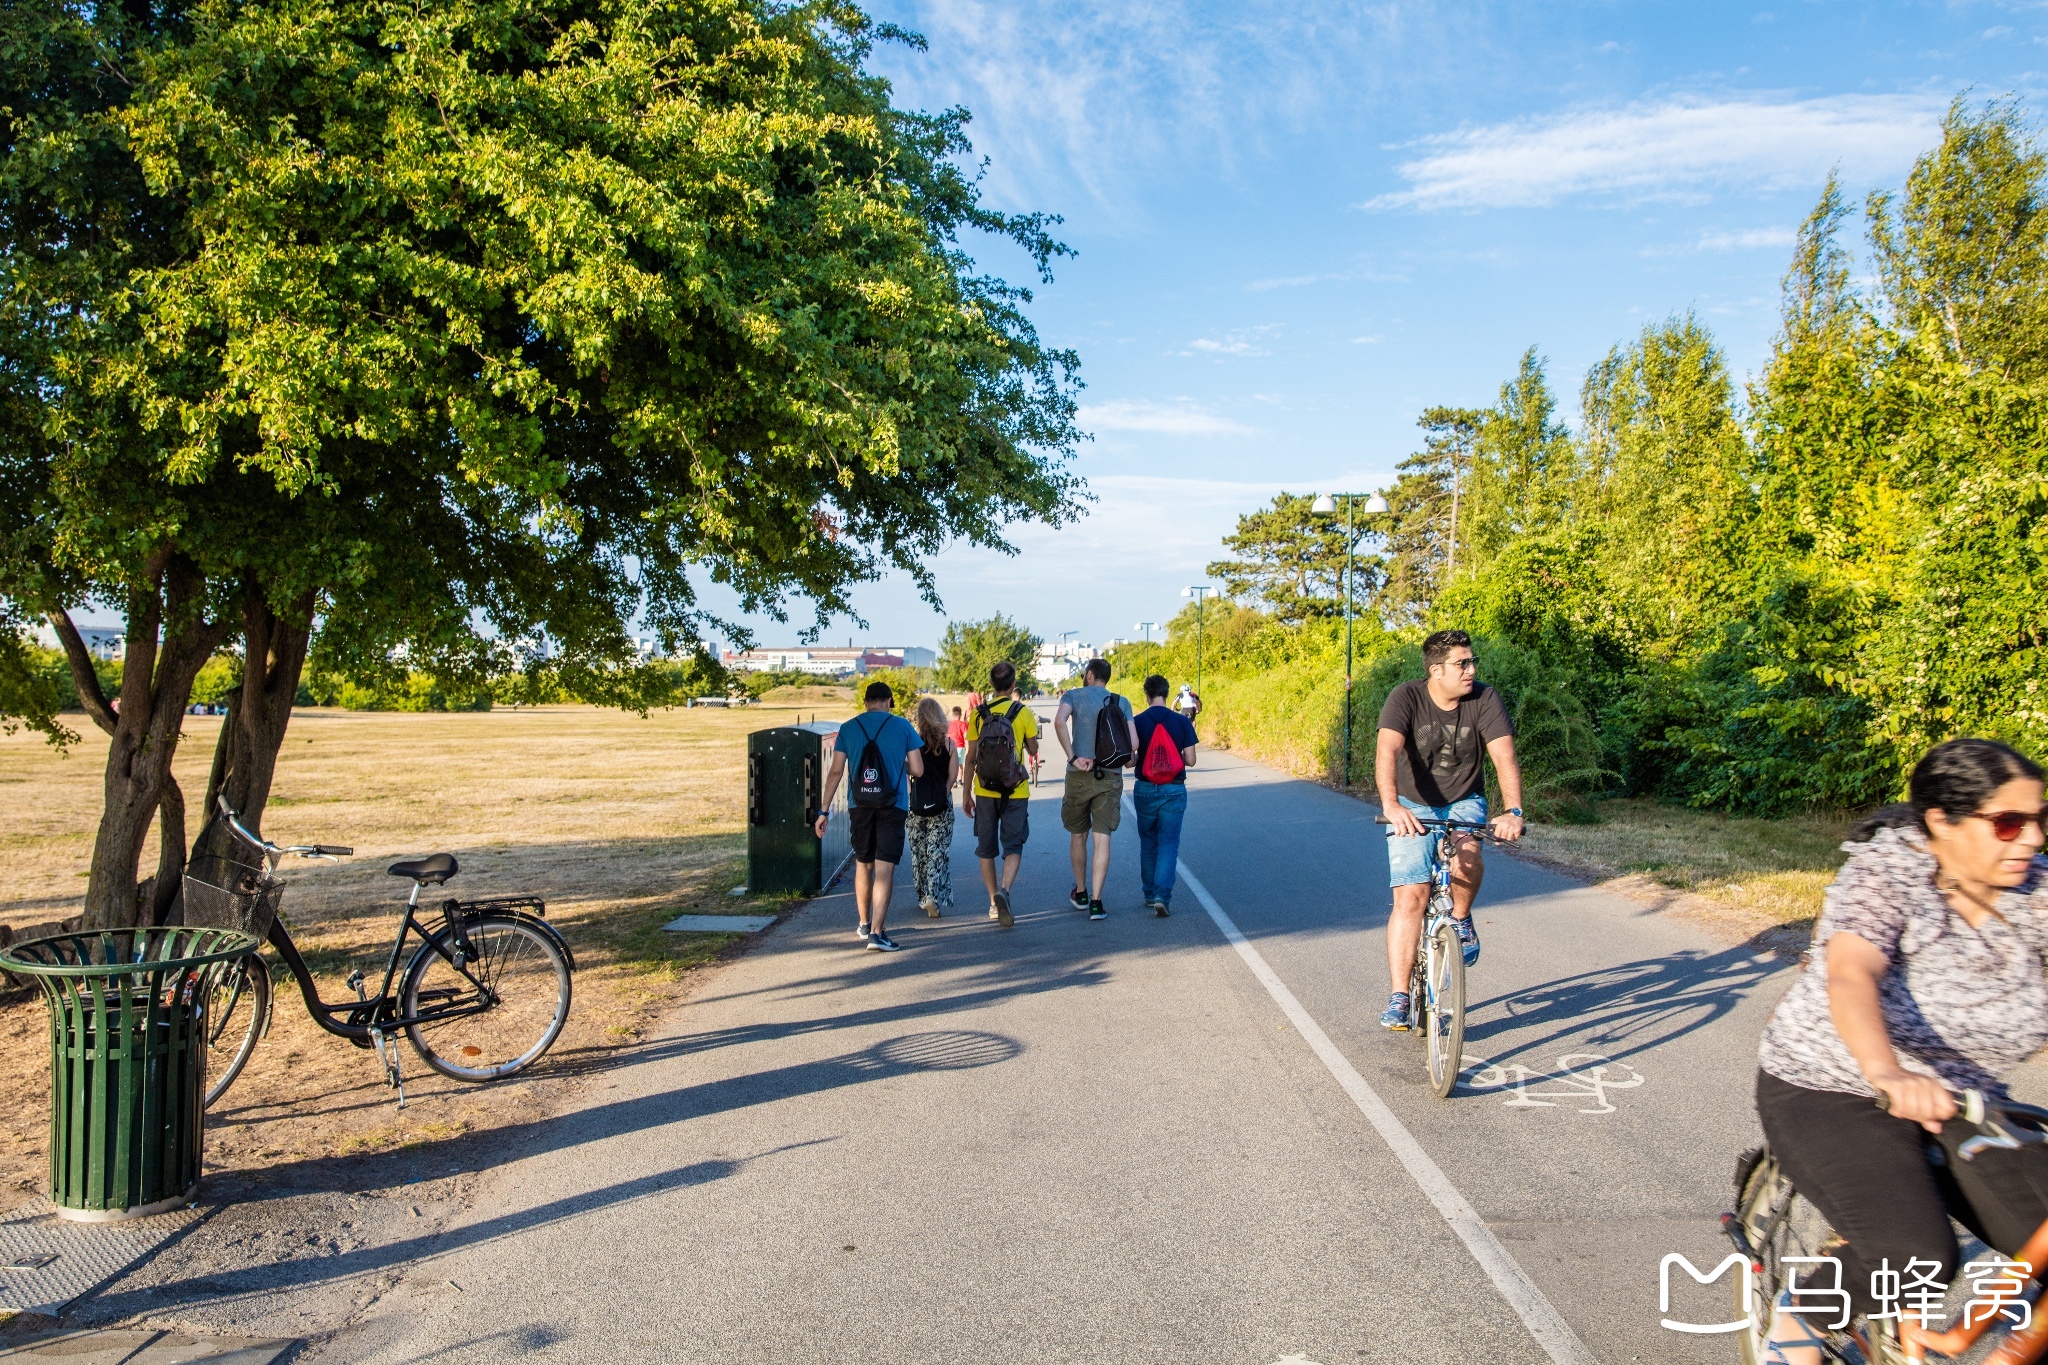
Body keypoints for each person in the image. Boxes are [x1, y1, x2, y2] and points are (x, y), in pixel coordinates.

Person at [1751, 738, 2048, 1364]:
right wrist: (1886, 1070)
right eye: (2009, 822)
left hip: (1963, 1100)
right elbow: (1852, 971)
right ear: (1944, 820)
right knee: (1913, 1256)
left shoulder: (2037, 894)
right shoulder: (1890, 871)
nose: (2031, 839)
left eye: (2039, 820)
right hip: (1831, 1081)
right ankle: (1797, 1328)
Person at [1374, 629, 1525, 1030]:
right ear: (1436, 669)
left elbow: (1504, 758)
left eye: (1472, 661)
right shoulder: (1405, 697)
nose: (1471, 670)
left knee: (1469, 854)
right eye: (1463, 663)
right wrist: (1391, 806)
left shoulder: (1485, 699)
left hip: (1463, 799)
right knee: (1411, 896)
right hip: (1411, 802)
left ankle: (1459, 917)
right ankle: (1400, 996)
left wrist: (1513, 810)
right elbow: (1387, 750)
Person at [814, 681, 924, 952]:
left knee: (863, 864)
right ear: (889, 701)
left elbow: (836, 772)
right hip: (893, 804)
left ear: (865, 702)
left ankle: (864, 924)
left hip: (859, 804)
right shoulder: (902, 727)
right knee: (884, 869)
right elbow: (918, 770)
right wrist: (899, 761)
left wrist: (823, 810)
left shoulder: (849, 728)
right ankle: (877, 933)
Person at [1054, 659, 1139, 920]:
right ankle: (1096, 902)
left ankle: (1080, 891)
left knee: (1078, 835)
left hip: (1079, 774)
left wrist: (1073, 757)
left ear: (1089, 674)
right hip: (1110, 776)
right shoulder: (1120, 701)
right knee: (1102, 839)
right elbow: (1133, 743)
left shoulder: (1073, 695)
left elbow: (1059, 722)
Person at [961, 661, 1038, 927]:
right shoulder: (1023, 712)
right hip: (1015, 789)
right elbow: (1032, 748)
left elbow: (970, 757)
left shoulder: (977, 715)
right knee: (1013, 845)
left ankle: (993, 903)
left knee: (986, 847)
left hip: (984, 789)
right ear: (1013, 685)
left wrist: (965, 793)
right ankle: (1004, 890)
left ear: (991, 686)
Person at [1132, 673, 1199, 916]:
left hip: (1145, 789)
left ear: (1146, 695)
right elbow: (1190, 760)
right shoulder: (1181, 721)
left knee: (1148, 842)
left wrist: (1148, 758)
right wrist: (1169, 759)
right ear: (1168, 693)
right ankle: (1163, 895)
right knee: (1169, 843)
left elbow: (1130, 761)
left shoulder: (1137, 721)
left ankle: (1149, 894)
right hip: (1174, 789)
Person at [907, 697, 959, 919]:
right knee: (937, 852)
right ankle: (933, 896)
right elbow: (953, 776)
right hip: (941, 806)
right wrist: (943, 795)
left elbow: (910, 771)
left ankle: (922, 897)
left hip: (917, 806)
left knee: (919, 853)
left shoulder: (914, 743)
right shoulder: (949, 745)